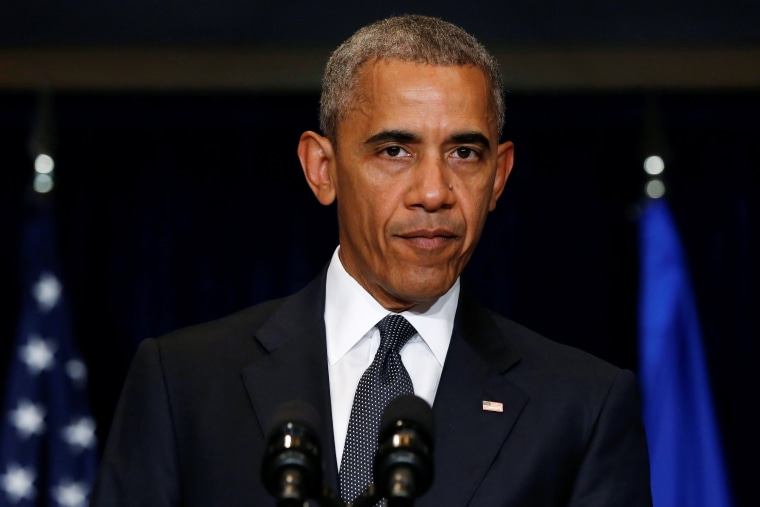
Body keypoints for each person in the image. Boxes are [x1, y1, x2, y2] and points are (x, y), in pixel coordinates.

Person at [91, 14, 652, 507]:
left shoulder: (582, 407)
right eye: (394, 151)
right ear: (322, 168)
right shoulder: (185, 381)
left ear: (499, 176)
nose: (434, 191)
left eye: (464, 153)